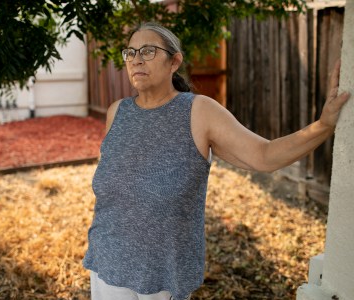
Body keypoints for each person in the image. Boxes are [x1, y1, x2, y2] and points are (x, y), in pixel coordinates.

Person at [82, 22, 351, 300]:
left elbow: (265, 155)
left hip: (162, 276)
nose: (136, 59)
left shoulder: (198, 111)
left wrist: (323, 125)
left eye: (148, 50)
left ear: (174, 62)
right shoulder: (117, 112)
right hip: (105, 263)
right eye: (131, 52)